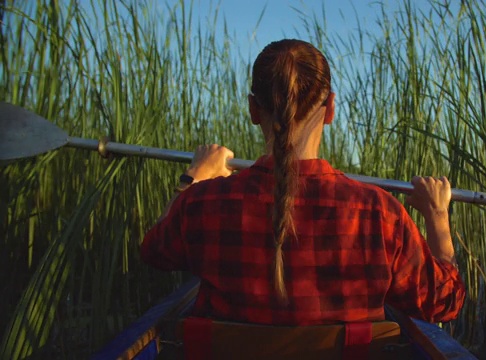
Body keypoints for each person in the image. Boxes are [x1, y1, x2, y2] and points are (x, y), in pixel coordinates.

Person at [141, 39, 465, 325]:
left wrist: (194, 177)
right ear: (331, 109)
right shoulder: (379, 213)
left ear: (254, 109)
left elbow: (154, 251)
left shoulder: (203, 203)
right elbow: (444, 303)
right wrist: (437, 215)